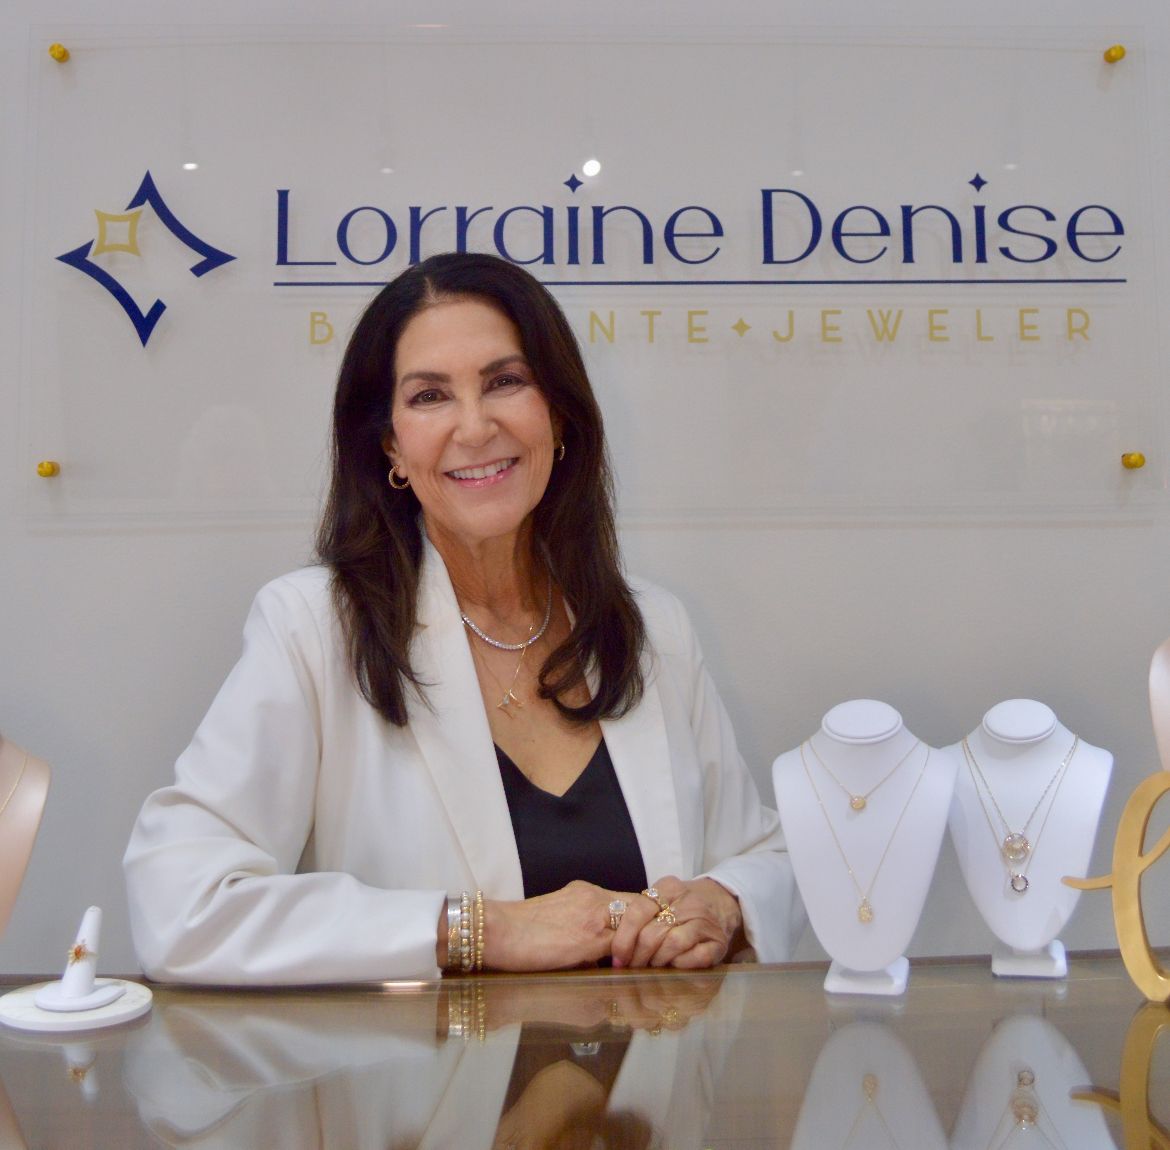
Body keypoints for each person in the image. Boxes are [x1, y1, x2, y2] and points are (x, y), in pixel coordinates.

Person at [123, 252, 800, 984]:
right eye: (429, 396)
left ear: (559, 414)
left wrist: (723, 906)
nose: (475, 427)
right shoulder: (312, 629)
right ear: (390, 445)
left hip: (654, 1092)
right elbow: (178, 902)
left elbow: (763, 858)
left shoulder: (653, 629)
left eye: (506, 382)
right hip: (425, 1096)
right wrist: (479, 930)